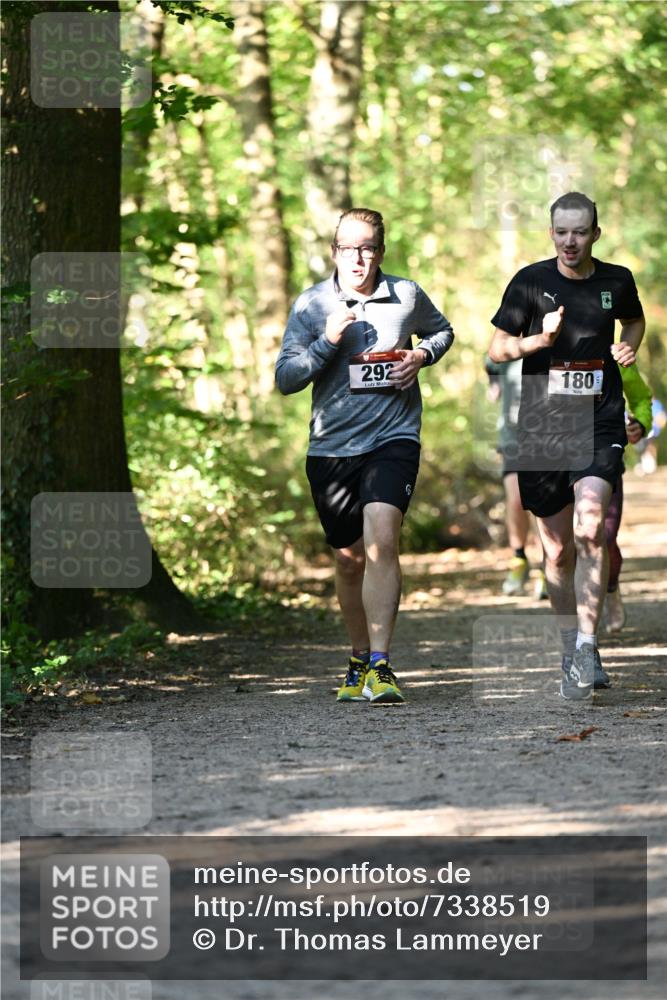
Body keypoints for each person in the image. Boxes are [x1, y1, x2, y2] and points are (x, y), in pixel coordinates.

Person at [275, 208, 454, 704]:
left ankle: (381, 664)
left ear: (380, 251)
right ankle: (357, 658)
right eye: (348, 248)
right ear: (334, 251)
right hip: (331, 448)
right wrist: (327, 341)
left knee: (382, 538)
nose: (357, 257)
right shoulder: (312, 303)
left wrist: (421, 356)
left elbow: (442, 332)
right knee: (349, 560)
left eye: (367, 247)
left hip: (393, 438)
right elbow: (286, 379)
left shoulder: (406, 295)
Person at [488, 192, 645, 700]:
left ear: (595, 233)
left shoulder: (616, 281)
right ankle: (567, 649)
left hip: (599, 417)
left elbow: (634, 320)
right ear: (551, 233)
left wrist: (629, 345)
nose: (570, 241)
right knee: (556, 551)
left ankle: (587, 645)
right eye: (561, 232)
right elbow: (497, 348)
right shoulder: (529, 282)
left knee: (591, 526)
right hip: (544, 420)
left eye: (579, 231)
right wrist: (539, 341)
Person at [485, 357, 548, 599]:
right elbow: (490, 363)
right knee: (516, 499)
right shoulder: (507, 348)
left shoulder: (551, 345)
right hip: (512, 438)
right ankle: (519, 559)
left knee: (542, 505)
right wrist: (494, 384)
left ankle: (547, 566)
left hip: (547, 438)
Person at [604, 364, 653, 631]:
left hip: (605, 460)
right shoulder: (549, 351)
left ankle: (611, 588)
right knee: (566, 545)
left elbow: (641, 398)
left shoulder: (615, 358)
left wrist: (640, 424)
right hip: (560, 461)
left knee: (605, 538)